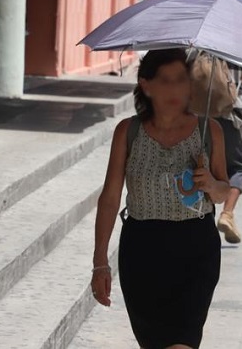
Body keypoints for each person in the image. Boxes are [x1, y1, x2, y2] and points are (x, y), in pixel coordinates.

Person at [92, 48, 231, 349]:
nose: (175, 89)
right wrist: (100, 261)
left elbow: (223, 192)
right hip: (143, 251)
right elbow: (110, 197)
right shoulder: (128, 132)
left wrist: (210, 183)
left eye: (181, 80)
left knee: (182, 342)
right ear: (146, 84)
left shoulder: (211, 131)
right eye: (165, 80)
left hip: (196, 250)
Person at [189, 51, 242, 244]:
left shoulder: (198, 46)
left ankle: (197, 219)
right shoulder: (240, 50)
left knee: (202, 167)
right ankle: (227, 213)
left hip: (198, 116)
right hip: (230, 117)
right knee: (237, 168)